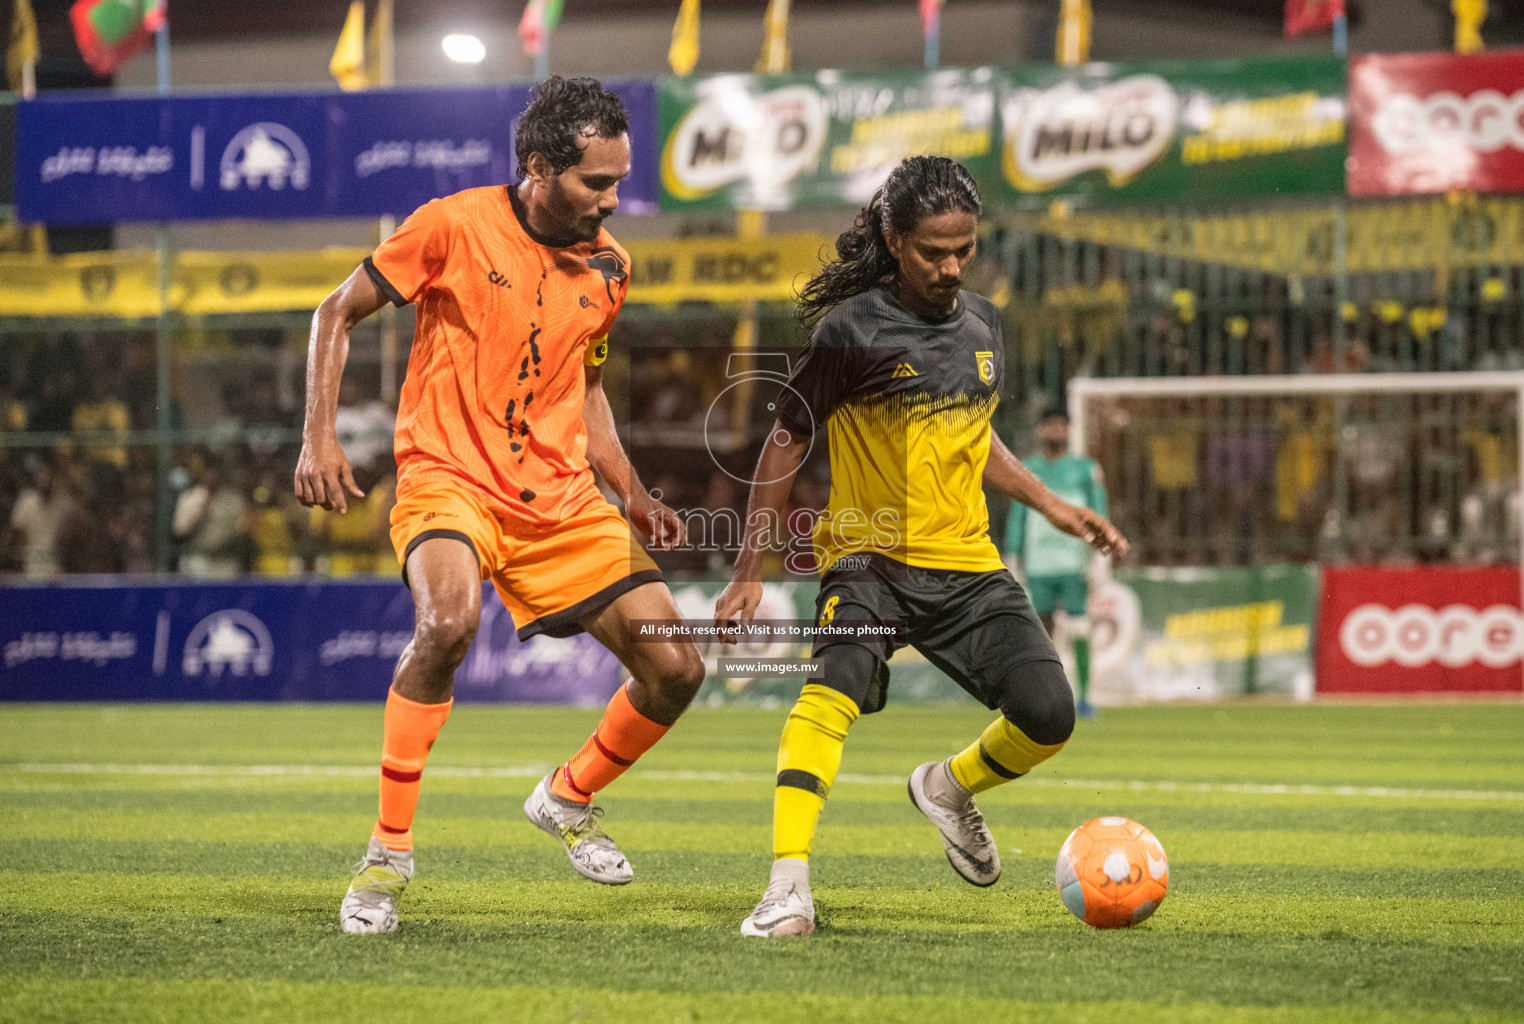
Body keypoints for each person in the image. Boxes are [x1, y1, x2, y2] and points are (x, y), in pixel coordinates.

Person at [295, 77, 705, 935]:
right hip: (448, 476)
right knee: (445, 626)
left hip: (558, 497)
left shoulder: (611, 267)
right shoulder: (450, 224)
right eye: (597, 182)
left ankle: (567, 795)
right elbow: (337, 311)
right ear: (538, 167)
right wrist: (319, 438)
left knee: (677, 670)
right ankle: (386, 857)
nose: (613, 199)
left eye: (620, 180)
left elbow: (583, 389)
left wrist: (630, 496)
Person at [712, 156, 1127, 938]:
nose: (952, 266)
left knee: (1049, 714)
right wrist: (749, 570)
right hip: (867, 561)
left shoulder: (985, 324)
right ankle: (787, 885)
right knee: (830, 690)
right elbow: (783, 441)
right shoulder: (851, 330)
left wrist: (1051, 503)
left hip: (967, 564)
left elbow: (977, 436)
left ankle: (946, 786)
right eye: (935, 251)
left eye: (964, 249)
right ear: (895, 240)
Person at [1002, 408, 1108, 717]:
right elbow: (1018, 515)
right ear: (1039, 431)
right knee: (1040, 632)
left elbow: (1098, 513)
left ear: (1069, 430)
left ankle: (1086, 696)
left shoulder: (1085, 469)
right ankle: (1042, 697)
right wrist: (1013, 556)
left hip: (1073, 563)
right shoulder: (1027, 469)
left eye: (1061, 426)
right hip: (1038, 565)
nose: (1055, 432)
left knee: (1079, 627)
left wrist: (1099, 559)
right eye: (1049, 426)